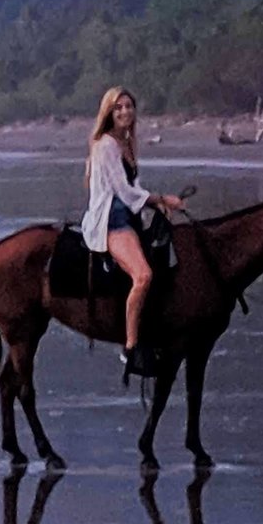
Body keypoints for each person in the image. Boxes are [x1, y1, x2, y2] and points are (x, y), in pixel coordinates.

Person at [80, 86, 183, 371]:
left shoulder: (127, 142)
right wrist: (162, 199)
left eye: (128, 106)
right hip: (112, 218)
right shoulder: (105, 145)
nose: (125, 111)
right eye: (118, 107)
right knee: (143, 275)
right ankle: (130, 346)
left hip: (128, 212)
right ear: (109, 113)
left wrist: (155, 206)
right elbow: (123, 191)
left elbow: (133, 189)